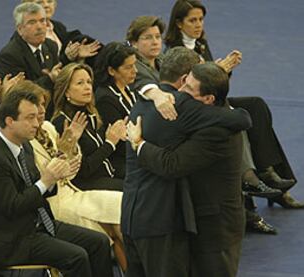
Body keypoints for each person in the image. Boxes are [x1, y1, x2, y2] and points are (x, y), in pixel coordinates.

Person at [165, 0, 301, 209]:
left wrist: (224, 71)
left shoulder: (200, 43)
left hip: (211, 99)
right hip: (195, 104)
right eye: (192, 20)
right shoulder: (175, 51)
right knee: (238, 119)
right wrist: (218, 69)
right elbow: (193, 87)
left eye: (201, 20)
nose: (198, 25)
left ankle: (268, 172)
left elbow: (216, 84)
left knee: (256, 106)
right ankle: (265, 181)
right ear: (179, 23)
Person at [122, 60, 251, 277]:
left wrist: (139, 144)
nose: (180, 93)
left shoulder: (218, 130)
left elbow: (172, 165)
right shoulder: (202, 113)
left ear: (208, 99)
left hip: (215, 227)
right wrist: (153, 92)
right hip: (192, 221)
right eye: (184, 84)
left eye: (189, 88)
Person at [0, 89, 113, 277]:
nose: (37, 124)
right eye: (30, 118)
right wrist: (46, 180)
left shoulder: (24, 145)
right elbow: (13, 206)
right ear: (9, 121)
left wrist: (54, 177)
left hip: (38, 223)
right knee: (77, 257)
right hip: (12, 240)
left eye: (36, 117)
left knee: (100, 241)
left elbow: (39, 190)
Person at [12, 80, 126, 271]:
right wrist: (63, 153)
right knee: (110, 229)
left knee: (121, 209)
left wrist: (71, 145)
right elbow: (41, 177)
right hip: (54, 203)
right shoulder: (23, 139)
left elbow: (71, 169)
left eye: (42, 104)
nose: (41, 110)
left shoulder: (48, 127)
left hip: (72, 191)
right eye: (36, 105)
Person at [52, 63, 127, 191]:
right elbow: (84, 170)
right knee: (136, 190)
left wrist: (119, 135)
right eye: (80, 83)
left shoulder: (93, 114)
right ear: (66, 91)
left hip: (108, 173)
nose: (87, 87)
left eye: (89, 82)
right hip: (85, 184)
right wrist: (110, 143)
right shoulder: (63, 123)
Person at [0, 3, 63, 96]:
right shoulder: (10, 55)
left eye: (42, 20)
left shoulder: (51, 46)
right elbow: (20, 93)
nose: (39, 27)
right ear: (20, 29)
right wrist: (49, 78)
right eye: (32, 22)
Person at [94, 42, 137, 178]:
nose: (135, 71)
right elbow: (121, 142)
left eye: (134, 65)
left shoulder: (128, 88)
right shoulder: (105, 99)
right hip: (122, 162)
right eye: (128, 67)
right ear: (112, 71)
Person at [21, 0, 101, 64]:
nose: (46, 5)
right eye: (39, 2)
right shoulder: (28, 36)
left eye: (49, 1)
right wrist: (67, 58)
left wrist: (77, 56)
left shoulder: (58, 27)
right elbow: (46, 69)